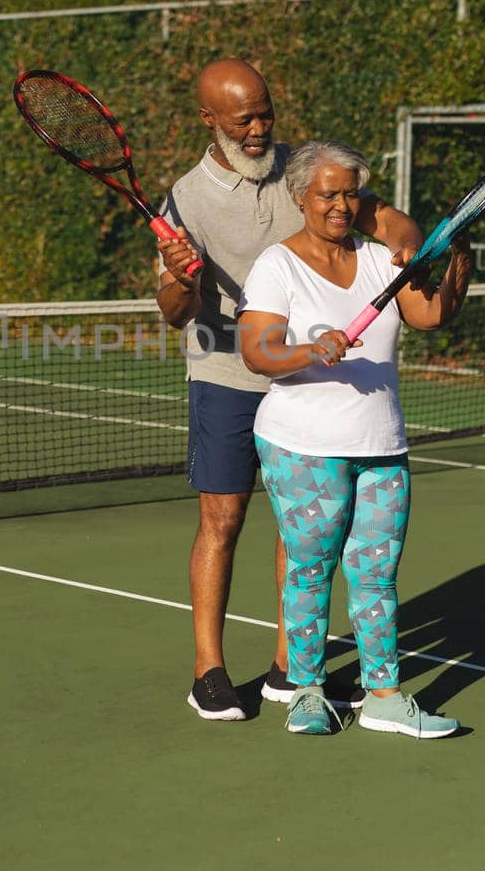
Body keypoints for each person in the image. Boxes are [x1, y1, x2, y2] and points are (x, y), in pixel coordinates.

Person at [156, 58, 423, 721]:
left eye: (265, 112)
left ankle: (288, 667)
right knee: (223, 520)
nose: (257, 127)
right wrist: (180, 276)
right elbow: (174, 308)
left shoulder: (305, 177)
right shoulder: (183, 199)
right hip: (226, 373)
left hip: (310, 382)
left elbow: (387, 221)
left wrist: (412, 245)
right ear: (209, 120)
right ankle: (208, 670)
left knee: (303, 529)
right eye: (242, 118)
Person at [236, 139, 473, 736]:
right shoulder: (277, 265)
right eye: (327, 194)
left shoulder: (376, 258)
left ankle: (386, 696)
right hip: (301, 445)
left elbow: (431, 315)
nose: (341, 206)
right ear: (300, 197)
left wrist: (459, 265)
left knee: (376, 573)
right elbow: (255, 351)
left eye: (350, 193)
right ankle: (308, 691)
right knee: (310, 569)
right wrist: (306, 350)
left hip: (382, 446)